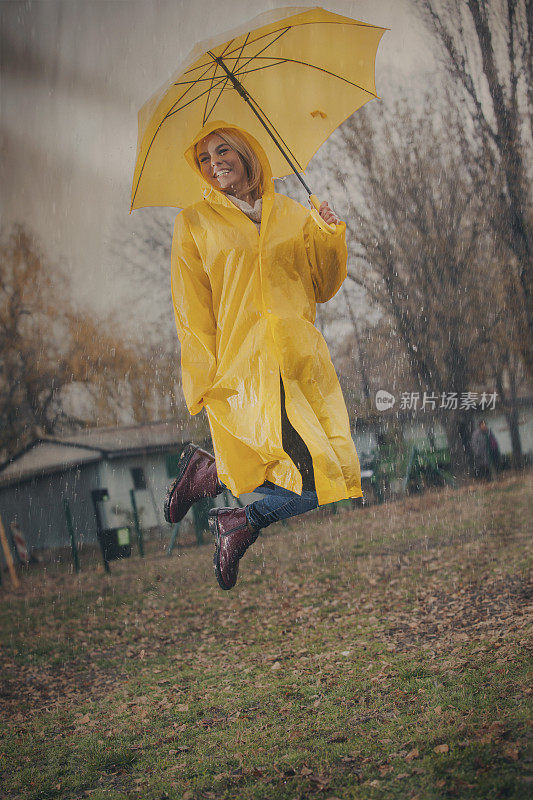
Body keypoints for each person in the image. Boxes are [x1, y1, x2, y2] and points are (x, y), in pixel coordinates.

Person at [164, 121, 362, 590]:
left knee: (329, 477)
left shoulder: (294, 214)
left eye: (223, 151)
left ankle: (217, 489)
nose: (215, 164)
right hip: (241, 370)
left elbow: (325, 285)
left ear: (248, 152)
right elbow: (190, 312)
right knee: (308, 481)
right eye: (205, 159)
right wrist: (201, 381)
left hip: (298, 363)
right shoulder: (193, 224)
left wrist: (329, 234)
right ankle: (232, 507)